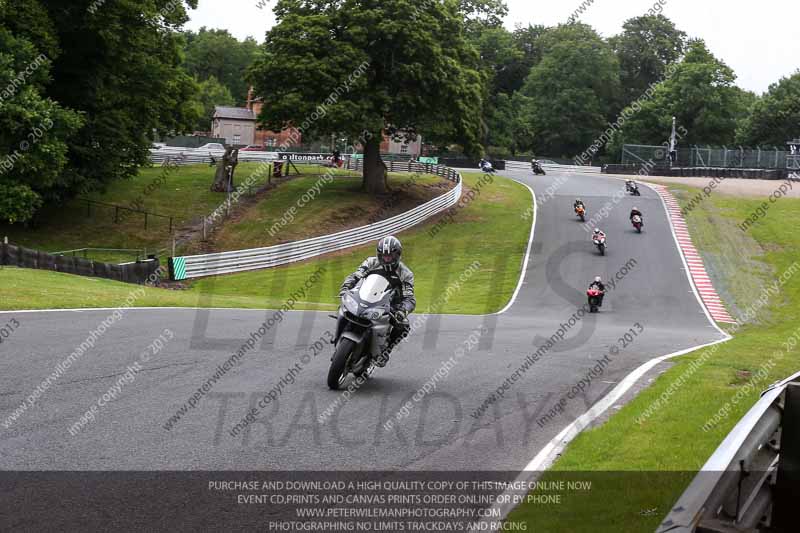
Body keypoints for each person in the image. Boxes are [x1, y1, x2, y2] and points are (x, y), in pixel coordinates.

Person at [339, 236, 416, 367]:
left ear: (397, 255)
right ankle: (339, 335)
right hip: (365, 297)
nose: (386, 259)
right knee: (345, 304)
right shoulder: (370, 262)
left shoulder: (405, 273)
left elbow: (410, 298)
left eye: (390, 256)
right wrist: (346, 287)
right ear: (378, 254)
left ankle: (385, 351)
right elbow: (356, 275)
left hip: (390, 305)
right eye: (383, 255)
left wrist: (402, 310)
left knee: (403, 326)